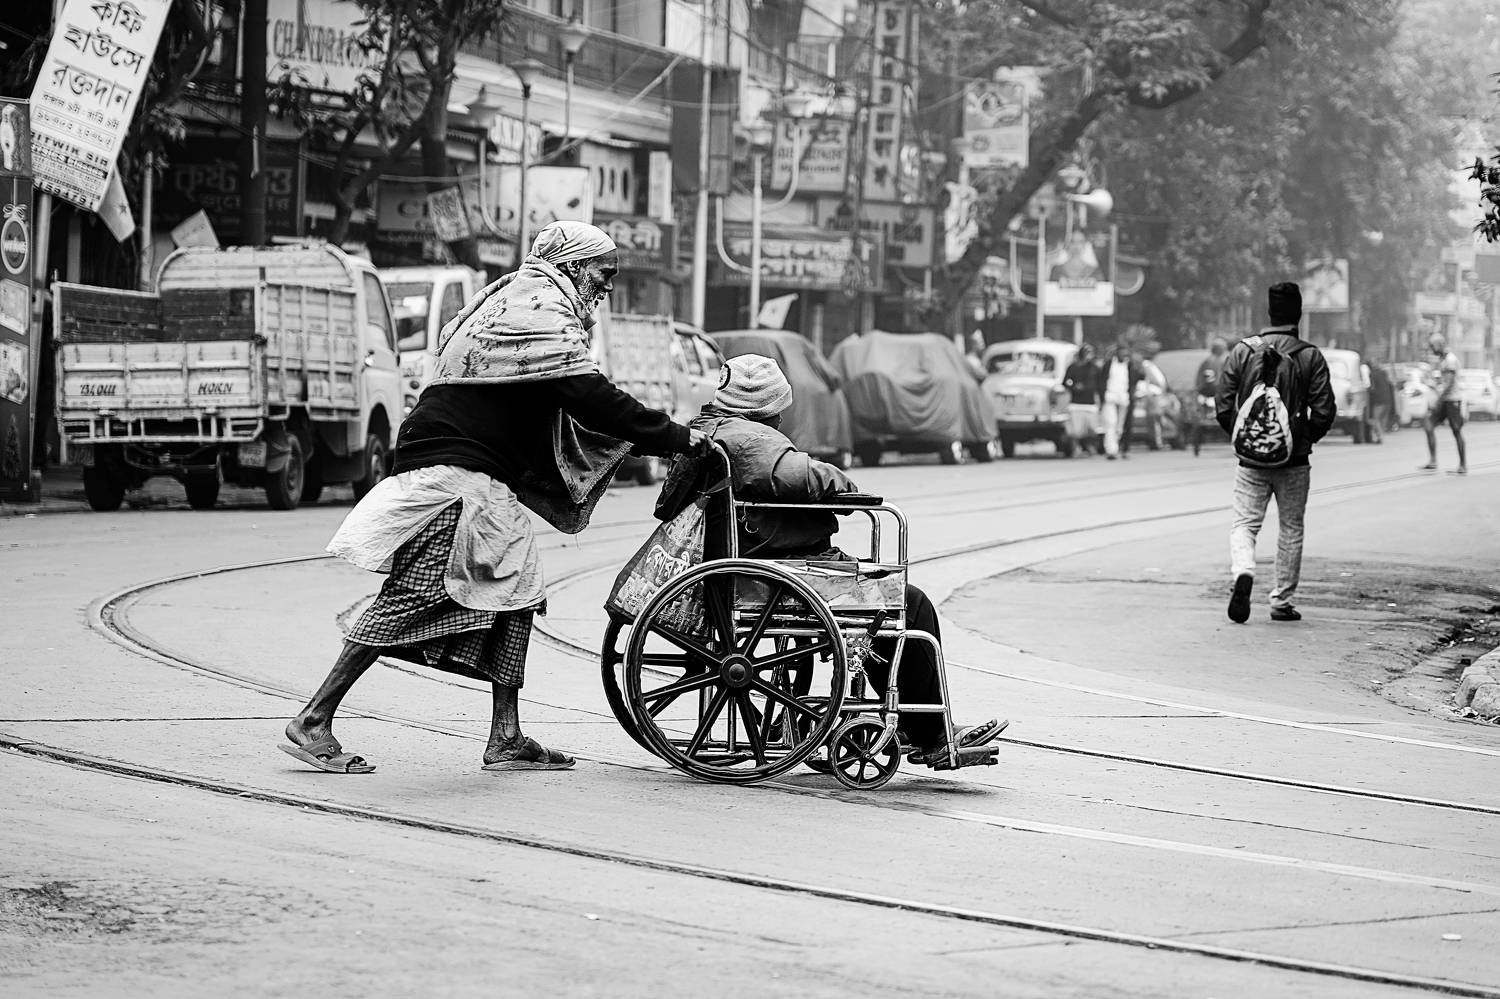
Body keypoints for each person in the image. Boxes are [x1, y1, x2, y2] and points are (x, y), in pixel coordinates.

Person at [281, 221, 707, 774]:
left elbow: (569, 407)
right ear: (572, 265)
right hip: (452, 476)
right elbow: (590, 398)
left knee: (519, 593)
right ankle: (314, 718)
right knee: (411, 596)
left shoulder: (517, 304)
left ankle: (505, 735)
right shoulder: (539, 310)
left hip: (476, 474)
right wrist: (676, 437)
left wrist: (660, 439)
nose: (606, 287)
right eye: (602, 274)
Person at [690, 354, 1008, 766]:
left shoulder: (710, 430)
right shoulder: (752, 440)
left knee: (890, 602)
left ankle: (914, 725)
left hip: (757, 560)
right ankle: (929, 732)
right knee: (908, 603)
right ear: (769, 408)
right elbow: (804, 476)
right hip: (778, 569)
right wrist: (842, 484)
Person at [1215, 282, 1336, 624]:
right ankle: (1281, 601)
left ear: (1269, 313)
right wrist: (1301, 440)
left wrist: (1246, 438)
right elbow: (1324, 411)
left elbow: (1223, 404)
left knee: (1244, 523)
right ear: (1298, 314)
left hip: (1250, 461)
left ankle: (1244, 569)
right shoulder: (1309, 356)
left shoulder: (1242, 351)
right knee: (1291, 527)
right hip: (1294, 461)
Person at [1420, 332, 1467, 475]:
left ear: (1440, 345)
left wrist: (1439, 400)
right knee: (1429, 425)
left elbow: (1450, 383)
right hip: (1445, 399)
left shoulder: (1450, 360)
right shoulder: (1443, 360)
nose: (1432, 349)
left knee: (1456, 430)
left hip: (1452, 400)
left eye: (1433, 346)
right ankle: (1433, 460)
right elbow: (1444, 382)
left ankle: (1463, 465)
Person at [1098, 341, 1140, 460]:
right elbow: (1102, 380)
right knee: (1110, 423)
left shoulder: (1129, 365)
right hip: (1110, 397)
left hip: (1124, 399)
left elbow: (1136, 379)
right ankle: (1111, 450)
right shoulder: (1109, 365)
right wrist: (1102, 397)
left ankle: (1122, 447)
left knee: (1120, 426)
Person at [1192, 337, 1229, 455]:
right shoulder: (1219, 361)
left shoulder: (1209, 361)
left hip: (1209, 394)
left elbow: (1200, 382)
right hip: (1215, 394)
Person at [1062, 343, 1101, 454]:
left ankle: (1089, 445)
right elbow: (1066, 382)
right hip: (1076, 403)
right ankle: (1076, 448)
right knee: (1076, 430)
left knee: (1092, 428)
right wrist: (1074, 386)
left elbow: (1100, 383)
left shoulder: (1094, 368)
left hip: (1090, 403)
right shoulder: (1073, 367)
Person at [1367, 361, 1395, 439]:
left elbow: (1372, 387)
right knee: (1382, 419)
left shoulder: (1372, 374)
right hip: (1388, 399)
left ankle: (1380, 436)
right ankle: (1380, 435)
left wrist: (1369, 392)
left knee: (1376, 419)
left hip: (1378, 400)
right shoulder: (1384, 373)